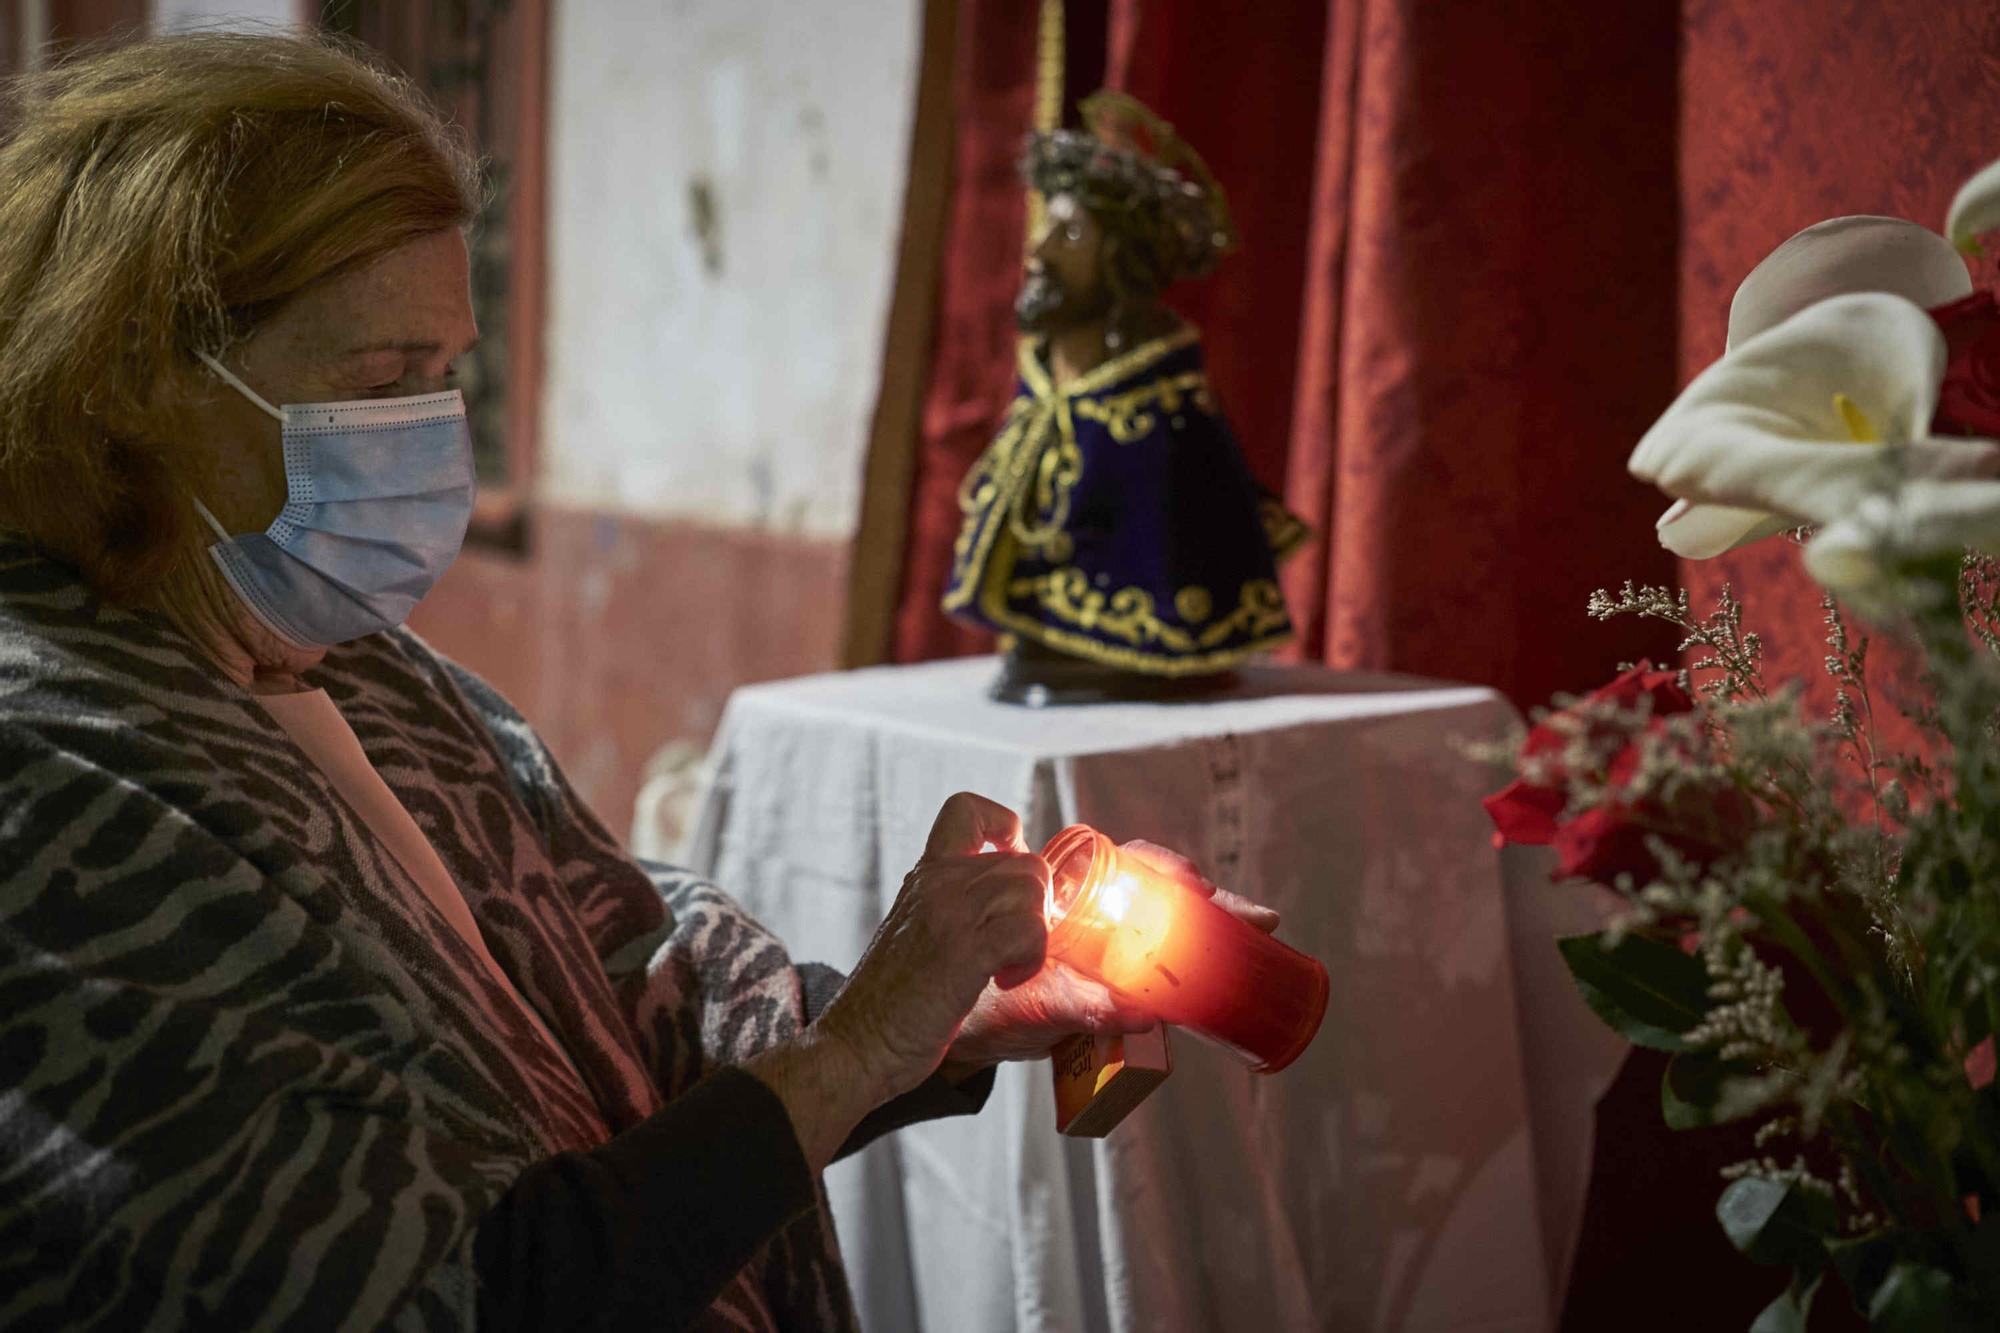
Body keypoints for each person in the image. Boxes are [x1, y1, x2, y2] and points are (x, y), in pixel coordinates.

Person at [0, 32, 1276, 1331]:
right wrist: (850, 1056)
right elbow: (442, 1296)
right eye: (381, 382)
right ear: (134, 379)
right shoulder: (46, 787)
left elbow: (627, 1003)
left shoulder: (366, 670)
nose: (431, 432)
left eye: (448, 375)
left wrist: (952, 1008)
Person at [942, 91, 1309, 705]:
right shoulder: (1046, 384)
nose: (1039, 251)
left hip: (1134, 658)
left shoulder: (1160, 421)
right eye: (1045, 227)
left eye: (1070, 234)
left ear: (1117, 261)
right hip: (1045, 658)